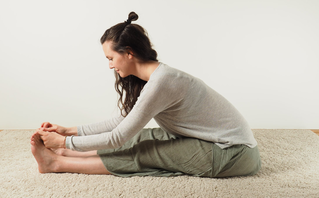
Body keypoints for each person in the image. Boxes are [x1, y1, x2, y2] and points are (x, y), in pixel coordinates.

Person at [31, 12, 261, 177]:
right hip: (216, 142)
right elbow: (122, 122)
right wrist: (68, 131)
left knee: (146, 152)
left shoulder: (162, 82)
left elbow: (116, 138)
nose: (110, 66)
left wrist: (67, 142)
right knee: (140, 136)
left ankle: (57, 163)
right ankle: (65, 153)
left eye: (111, 58)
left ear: (129, 53)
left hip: (234, 154)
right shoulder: (155, 77)